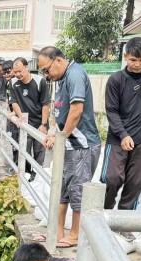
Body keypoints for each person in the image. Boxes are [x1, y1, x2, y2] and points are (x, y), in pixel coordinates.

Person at [38, 46, 102, 249]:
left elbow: (76, 111)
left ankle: (75, 235)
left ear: (58, 60)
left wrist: (61, 137)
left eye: (46, 70)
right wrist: (54, 133)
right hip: (68, 144)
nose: (46, 75)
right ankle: (56, 232)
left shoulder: (74, 75)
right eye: (42, 72)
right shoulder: (61, 78)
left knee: (77, 190)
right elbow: (62, 113)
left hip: (81, 145)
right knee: (62, 188)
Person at [102, 37, 141, 211]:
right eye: (133, 60)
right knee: (112, 178)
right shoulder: (116, 80)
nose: (137, 64)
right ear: (125, 56)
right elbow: (111, 111)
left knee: (135, 182)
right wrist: (123, 135)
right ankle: (105, 213)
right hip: (117, 138)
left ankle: (124, 220)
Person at [8, 57, 51, 180]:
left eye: (20, 71)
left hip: (39, 124)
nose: (18, 74)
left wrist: (44, 124)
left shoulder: (39, 81)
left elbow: (45, 104)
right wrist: (20, 116)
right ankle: (25, 178)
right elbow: (14, 102)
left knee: (39, 153)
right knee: (24, 152)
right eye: (15, 71)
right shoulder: (13, 83)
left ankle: (36, 177)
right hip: (25, 124)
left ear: (27, 68)